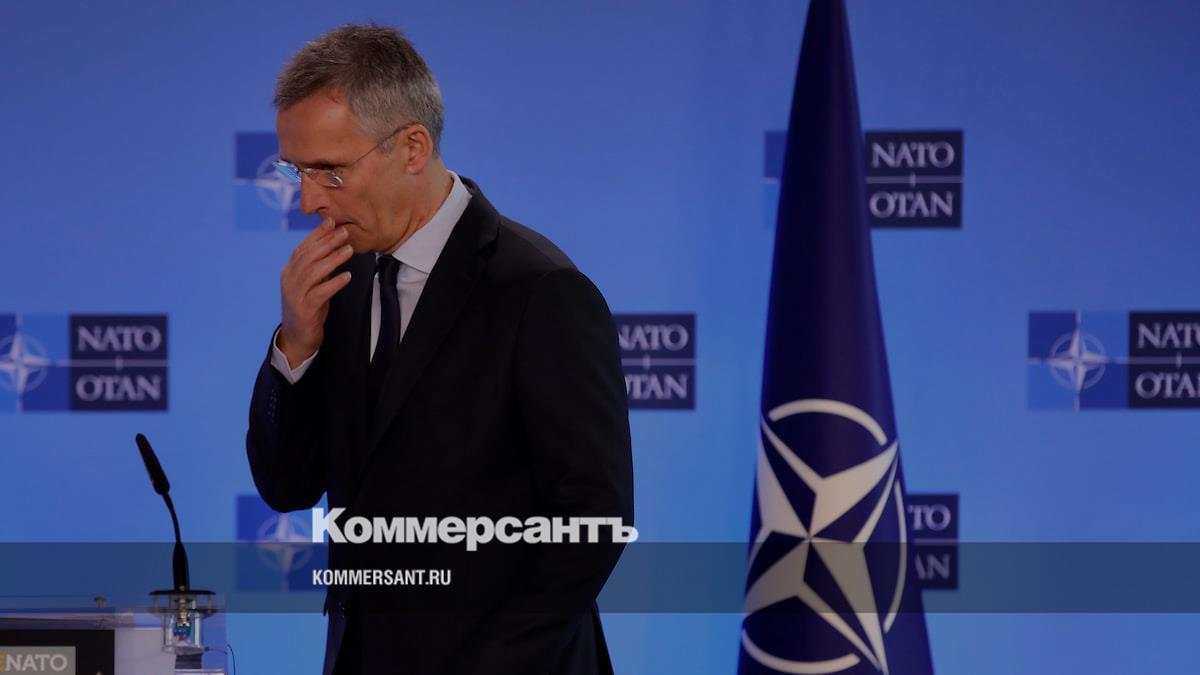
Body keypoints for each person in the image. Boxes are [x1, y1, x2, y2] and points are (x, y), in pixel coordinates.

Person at [245, 24, 634, 675]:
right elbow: (286, 486)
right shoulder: (343, 278)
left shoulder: (539, 290)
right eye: (297, 171)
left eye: (330, 172)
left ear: (412, 147)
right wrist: (296, 346)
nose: (308, 201)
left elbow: (592, 522)